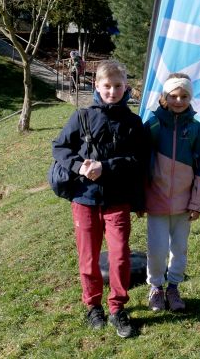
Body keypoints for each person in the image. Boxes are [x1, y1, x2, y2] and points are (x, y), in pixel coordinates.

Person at [51, 60, 148, 338]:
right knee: (89, 257)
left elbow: (139, 160)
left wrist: (106, 167)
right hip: (84, 199)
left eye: (118, 86)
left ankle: (117, 308)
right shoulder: (81, 116)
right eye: (107, 86)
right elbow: (59, 147)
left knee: (119, 256)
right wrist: (78, 166)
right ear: (97, 86)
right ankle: (93, 306)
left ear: (126, 87)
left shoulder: (133, 123)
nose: (112, 91)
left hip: (118, 200)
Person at [144, 73, 200, 312]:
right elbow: (141, 164)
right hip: (157, 201)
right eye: (173, 96)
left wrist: (197, 203)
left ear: (190, 97)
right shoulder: (152, 125)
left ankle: (173, 287)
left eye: (184, 96)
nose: (179, 101)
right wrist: (140, 200)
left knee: (179, 249)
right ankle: (156, 287)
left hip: (184, 204)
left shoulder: (195, 128)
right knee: (157, 250)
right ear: (165, 96)